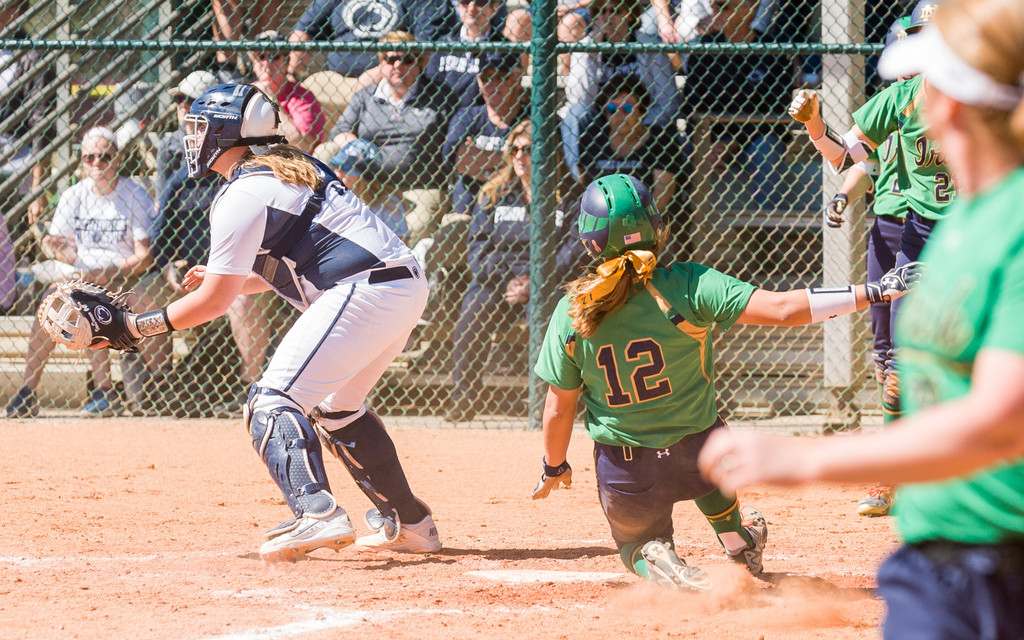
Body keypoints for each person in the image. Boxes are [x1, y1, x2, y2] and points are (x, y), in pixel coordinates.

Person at [700, 0, 1024, 634]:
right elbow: (850, 163)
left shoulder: (1009, 229)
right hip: (937, 553)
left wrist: (806, 462)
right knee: (893, 364)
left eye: (931, 83)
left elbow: (997, 421)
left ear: (951, 107)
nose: (916, 100)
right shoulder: (962, 220)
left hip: (1000, 557)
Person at [531, 173, 921, 591]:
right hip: (699, 452)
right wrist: (876, 291)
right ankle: (737, 542)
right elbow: (784, 309)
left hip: (626, 466)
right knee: (708, 443)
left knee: (633, 544)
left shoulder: (573, 310)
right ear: (656, 229)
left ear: (590, 242)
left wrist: (555, 465)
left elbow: (558, 409)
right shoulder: (689, 284)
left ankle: (652, 554)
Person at [102, 83, 440, 561]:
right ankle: (412, 524)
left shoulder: (242, 191)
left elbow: (212, 303)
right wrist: (228, 279)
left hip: (365, 289)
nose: (192, 138)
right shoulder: (292, 166)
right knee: (337, 408)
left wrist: (135, 327)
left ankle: (317, 513)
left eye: (200, 128)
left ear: (226, 133)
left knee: (271, 399)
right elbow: (296, 262)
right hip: (398, 285)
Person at [788, 0, 950, 517]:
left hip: (978, 238)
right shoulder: (901, 98)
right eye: (921, 37)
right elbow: (846, 156)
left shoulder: (991, 96)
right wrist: (816, 125)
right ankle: (892, 477)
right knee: (896, 366)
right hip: (917, 240)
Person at [818, 16, 912, 517]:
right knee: (883, 350)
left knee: (909, 354)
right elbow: (861, 167)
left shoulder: (938, 106)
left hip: (926, 230)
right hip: (887, 229)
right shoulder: (890, 108)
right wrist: (842, 196)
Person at [5, 127, 156, 418]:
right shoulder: (73, 195)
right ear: (82, 161)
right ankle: (27, 392)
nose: (97, 163)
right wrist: (57, 249)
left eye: (104, 156)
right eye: (89, 157)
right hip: (82, 279)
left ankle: (105, 391)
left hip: (123, 279)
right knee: (53, 304)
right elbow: (62, 248)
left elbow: (144, 256)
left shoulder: (134, 195)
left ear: (118, 159)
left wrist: (111, 271)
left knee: (85, 303)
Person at [447, 120, 582, 422]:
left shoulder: (570, 195)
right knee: (473, 309)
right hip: (500, 280)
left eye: (529, 150)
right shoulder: (493, 193)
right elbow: (478, 245)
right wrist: (507, 280)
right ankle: (464, 399)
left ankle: (548, 402)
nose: (520, 156)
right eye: (515, 149)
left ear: (549, 154)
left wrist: (537, 281)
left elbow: (573, 248)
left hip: (551, 280)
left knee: (551, 316)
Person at [325, 30, 450, 241]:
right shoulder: (367, 96)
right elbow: (339, 130)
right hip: (369, 181)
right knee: (326, 151)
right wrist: (359, 147)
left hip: (417, 186)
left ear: (419, 64)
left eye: (407, 60)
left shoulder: (438, 96)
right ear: (381, 64)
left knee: (417, 230)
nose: (398, 66)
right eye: (391, 59)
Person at [679, 0, 795, 212]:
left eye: (723, 6)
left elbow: (776, 113)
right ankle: (686, 222)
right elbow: (691, 107)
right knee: (680, 145)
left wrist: (734, 142)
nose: (715, 12)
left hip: (755, 137)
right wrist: (708, 144)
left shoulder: (772, 51)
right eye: (714, 6)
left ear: (747, 10)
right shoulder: (704, 48)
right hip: (711, 136)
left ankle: (766, 226)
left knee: (767, 148)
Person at [560, 0, 681, 180]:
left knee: (665, 126)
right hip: (601, 124)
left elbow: (668, 100)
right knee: (574, 114)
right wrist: (593, 51)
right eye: (602, 11)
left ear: (630, 15)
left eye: (615, 11)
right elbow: (581, 100)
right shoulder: (586, 46)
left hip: (642, 121)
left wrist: (635, 121)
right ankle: (581, 183)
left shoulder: (649, 46)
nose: (608, 17)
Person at [440, 51, 528, 219]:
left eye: (501, 77)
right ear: (479, 83)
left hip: (513, 209)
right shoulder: (467, 116)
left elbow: (537, 164)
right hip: (467, 207)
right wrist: (512, 160)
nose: (493, 85)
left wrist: (479, 160)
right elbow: (454, 158)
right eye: (486, 78)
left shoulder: (530, 116)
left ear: (517, 80)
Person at [578, 73, 682, 213]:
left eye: (627, 108)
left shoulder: (661, 140)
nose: (619, 115)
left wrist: (635, 220)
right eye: (612, 109)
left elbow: (663, 190)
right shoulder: (593, 140)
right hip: (600, 216)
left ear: (642, 110)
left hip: (646, 217)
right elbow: (583, 186)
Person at [248, 30, 327, 152]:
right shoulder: (245, 93)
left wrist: (269, 99)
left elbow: (299, 145)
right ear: (254, 64)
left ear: (286, 63)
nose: (267, 62)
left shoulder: (303, 98)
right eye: (261, 56)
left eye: (274, 56)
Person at [327, 138, 410, 240]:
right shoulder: (334, 196)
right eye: (337, 167)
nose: (337, 174)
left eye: (345, 170)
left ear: (364, 176)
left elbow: (401, 243)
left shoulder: (388, 203)